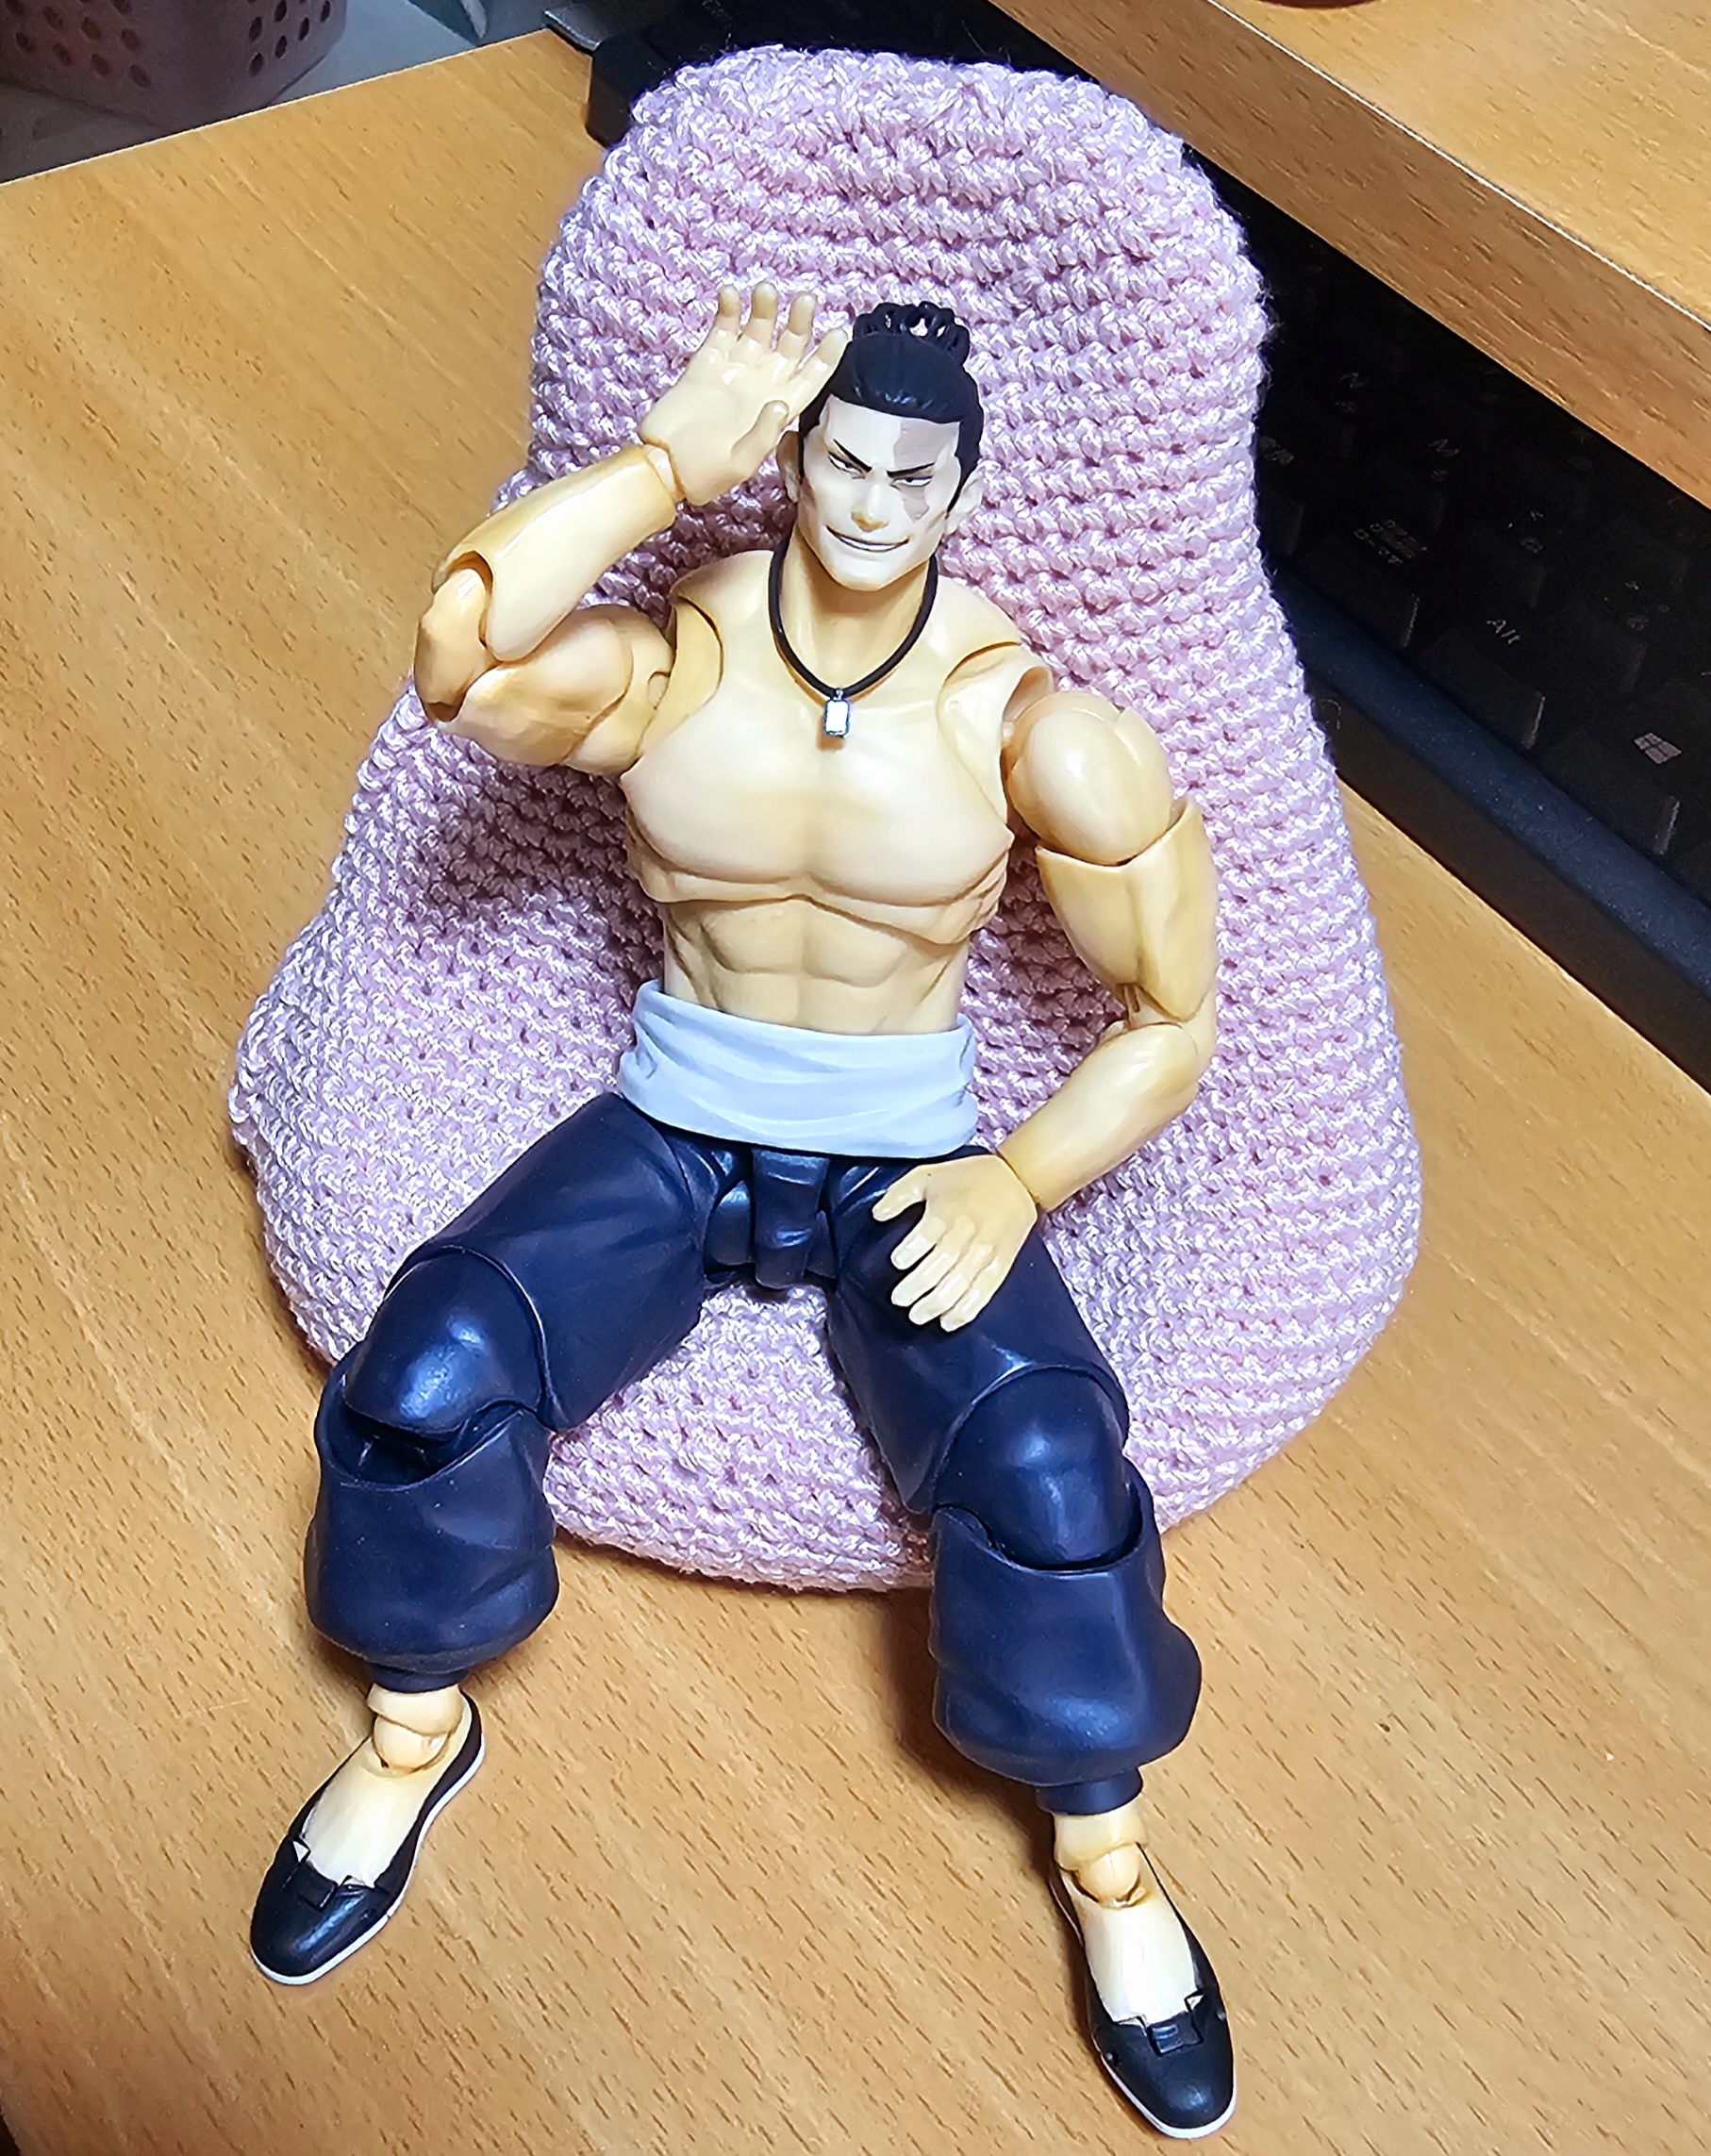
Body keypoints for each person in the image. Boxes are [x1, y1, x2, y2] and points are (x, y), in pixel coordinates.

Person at [250, 287, 1231, 2137]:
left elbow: (1171, 1020)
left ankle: (1106, 1856)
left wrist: (1015, 1175)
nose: (868, 503)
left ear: (960, 491)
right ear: (794, 459)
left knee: (1047, 1471)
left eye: (908, 477)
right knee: (425, 1364)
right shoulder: (683, 656)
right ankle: (410, 1729)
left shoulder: (1030, 725)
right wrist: (654, 468)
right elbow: (458, 658)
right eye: (841, 460)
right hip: (674, 1127)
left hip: (906, 1158)